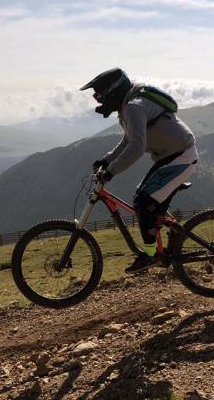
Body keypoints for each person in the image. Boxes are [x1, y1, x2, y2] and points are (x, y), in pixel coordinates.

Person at [80, 68, 197, 273]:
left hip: (181, 155)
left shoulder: (133, 108)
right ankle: (172, 236)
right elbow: (128, 139)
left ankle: (151, 255)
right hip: (170, 155)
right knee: (141, 199)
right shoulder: (128, 106)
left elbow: (136, 147)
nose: (99, 101)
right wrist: (107, 160)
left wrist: (111, 171)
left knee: (144, 201)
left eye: (100, 96)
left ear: (113, 92)